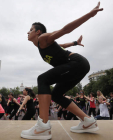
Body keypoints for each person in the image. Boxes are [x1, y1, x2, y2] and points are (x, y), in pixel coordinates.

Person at [21, 2, 103, 139]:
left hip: (76, 63)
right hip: (77, 67)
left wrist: (90, 14)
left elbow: (65, 30)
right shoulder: (43, 46)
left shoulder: (43, 38)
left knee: (43, 79)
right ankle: (88, 121)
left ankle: (43, 126)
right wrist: (75, 43)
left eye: (30, 29)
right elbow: (62, 45)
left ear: (38, 32)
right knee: (56, 95)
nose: (27, 32)